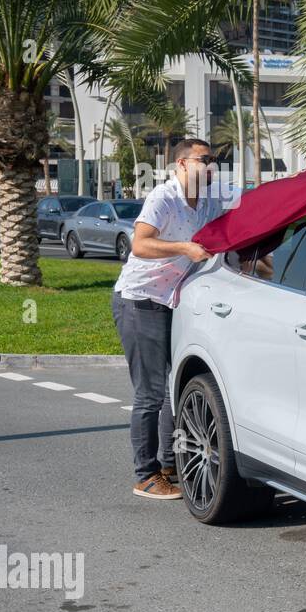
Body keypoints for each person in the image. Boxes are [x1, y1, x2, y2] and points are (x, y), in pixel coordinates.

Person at [111, 139, 224, 500]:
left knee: (174, 384)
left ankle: (169, 462)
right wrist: (183, 248)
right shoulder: (164, 197)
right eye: (204, 160)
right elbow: (140, 244)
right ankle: (145, 475)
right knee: (150, 392)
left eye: (214, 161)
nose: (211, 167)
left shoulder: (207, 200)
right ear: (181, 163)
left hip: (171, 302)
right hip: (140, 301)